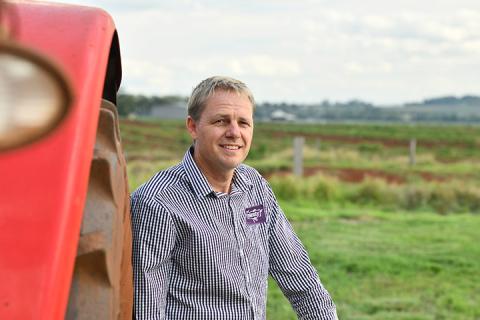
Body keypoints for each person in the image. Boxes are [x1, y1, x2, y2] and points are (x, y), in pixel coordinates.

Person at [130, 76, 338, 320]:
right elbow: (147, 310)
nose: (234, 132)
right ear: (193, 127)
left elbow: (299, 276)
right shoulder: (158, 202)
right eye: (221, 121)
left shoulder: (255, 187)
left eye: (243, 123)